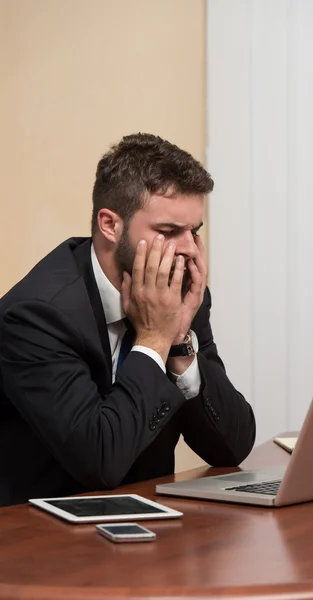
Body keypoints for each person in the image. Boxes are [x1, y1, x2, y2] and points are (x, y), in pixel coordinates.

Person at [0, 133, 256, 507]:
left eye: (194, 232)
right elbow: (100, 461)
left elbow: (232, 447)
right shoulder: (36, 316)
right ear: (110, 225)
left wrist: (181, 342)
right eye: (168, 232)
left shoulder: (178, 292)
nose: (187, 248)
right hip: (41, 533)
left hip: (147, 523)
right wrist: (155, 338)